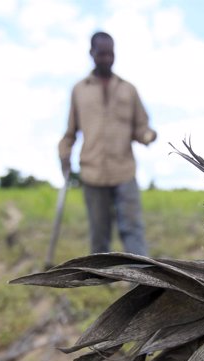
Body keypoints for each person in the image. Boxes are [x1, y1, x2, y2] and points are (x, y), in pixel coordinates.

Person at [58, 31, 157, 256]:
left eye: (110, 54)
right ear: (91, 53)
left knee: (133, 230)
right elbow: (70, 133)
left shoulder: (128, 89)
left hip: (124, 172)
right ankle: (100, 282)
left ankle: (141, 284)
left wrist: (149, 135)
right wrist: (64, 156)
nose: (106, 59)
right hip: (92, 173)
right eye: (101, 54)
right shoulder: (79, 90)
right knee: (99, 234)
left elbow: (141, 127)